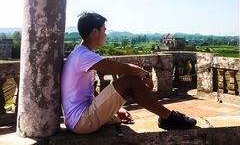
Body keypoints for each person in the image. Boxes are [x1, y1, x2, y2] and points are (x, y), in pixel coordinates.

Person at [61, 12, 196, 134]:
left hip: (78, 119)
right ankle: (168, 117)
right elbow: (125, 69)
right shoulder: (84, 56)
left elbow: (88, 92)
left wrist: (114, 111)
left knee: (128, 82)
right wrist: (146, 75)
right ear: (95, 32)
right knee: (130, 80)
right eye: (104, 30)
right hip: (81, 121)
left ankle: (167, 117)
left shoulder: (80, 54)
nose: (106, 34)